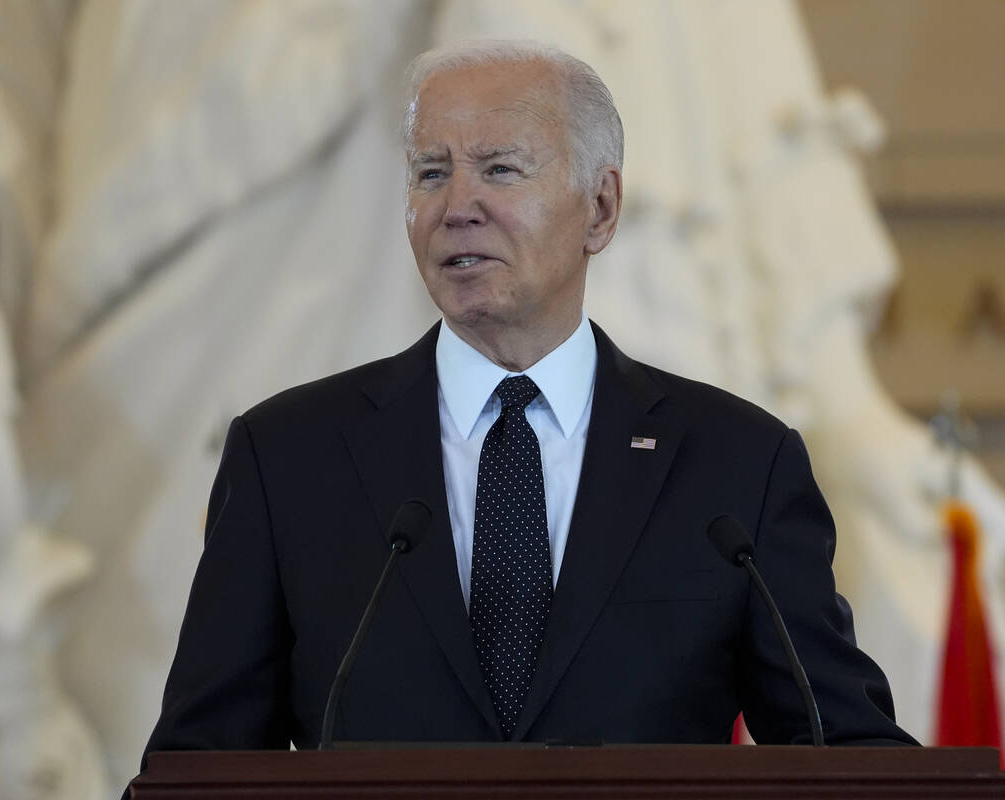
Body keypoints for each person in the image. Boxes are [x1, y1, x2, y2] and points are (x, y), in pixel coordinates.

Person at [133, 41, 914, 774]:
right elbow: (201, 767)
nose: (457, 206)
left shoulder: (738, 465)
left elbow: (842, 749)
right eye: (430, 173)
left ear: (601, 208)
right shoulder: (289, 458)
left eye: (500, 170)